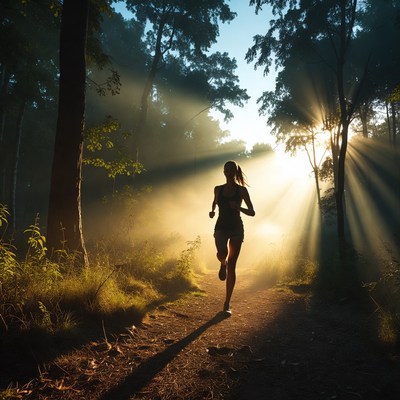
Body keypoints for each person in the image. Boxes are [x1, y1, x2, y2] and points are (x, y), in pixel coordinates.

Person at [209, 160, 255, 314]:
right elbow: (215, 202)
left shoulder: (241, 191)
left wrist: (238, 207)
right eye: (226, 170)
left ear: (235, 172)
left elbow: (252, 212)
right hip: (221, 226)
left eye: (231, 170)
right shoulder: (218, 189)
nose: (228, 172)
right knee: (222, 253)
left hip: (236, 228)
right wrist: (212, 211)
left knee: (232, 266)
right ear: (223, 172)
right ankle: (222, 263)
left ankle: (227, 303)